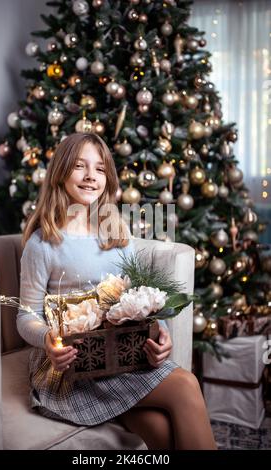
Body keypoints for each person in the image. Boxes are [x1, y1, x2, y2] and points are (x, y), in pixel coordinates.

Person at [17, 132, 217, 450]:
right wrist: (48, 342)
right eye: (79, 166)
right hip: (73, 370)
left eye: (99, 169)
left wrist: (159, 332)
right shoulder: (43, 244)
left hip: (122, 358)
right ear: (60, 173)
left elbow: (139, 300)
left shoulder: (117, 235)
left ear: (107, 178)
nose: (90, 176)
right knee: (185, 384)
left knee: (161, 431)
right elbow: (26, 315)